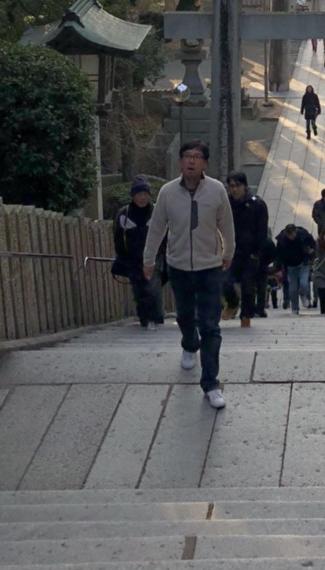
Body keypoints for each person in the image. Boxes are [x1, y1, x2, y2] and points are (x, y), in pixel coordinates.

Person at [144, 141, 234, 410]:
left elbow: (227, 225)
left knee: (210, 326)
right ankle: (188, 343)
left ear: (205, 163)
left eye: (197, 157)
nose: (191, 162)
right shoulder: (168, 192)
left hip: (210, 267)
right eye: (187, 157)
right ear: (180, 162)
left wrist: (228, 252)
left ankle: (211, 383)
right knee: (184, 315)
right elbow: (157, 228)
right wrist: (148, 260)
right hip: (179, 265)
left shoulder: (216, 190)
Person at [112, 177, 164, 328]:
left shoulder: (156, 211)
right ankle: (144, 317)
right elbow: (118, 237)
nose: (142, 198)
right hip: (132, 257)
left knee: (153, 285)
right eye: (139, 194)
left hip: (155, 256)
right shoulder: (124, 214)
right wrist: (122, 256)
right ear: (133, 196)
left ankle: (156, 316)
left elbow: (166, 233)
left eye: (145, 194)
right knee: (138, 288)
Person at [225, 170, 271, 327]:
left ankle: (246, 315)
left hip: (250, 252)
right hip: (230, 251)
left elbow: (262, 231)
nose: (234, 189)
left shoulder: (257, 204)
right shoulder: (226, 204)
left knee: (248, 285)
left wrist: (257, 253)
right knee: (224, 280)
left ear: (244, 186)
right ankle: (232, 303)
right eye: (231, 186)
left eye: (237, 186)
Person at [275, 222, 315, 314]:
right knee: (292, 288)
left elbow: (313, 244)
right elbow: (278, 255)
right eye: (290, 235)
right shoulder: (282, 240)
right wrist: (278, 269)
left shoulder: (303, 235)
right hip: (290, 267)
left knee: (304, 284)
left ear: (295, 232)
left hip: (303, 264)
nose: (292, 237)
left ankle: (303, 295)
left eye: (293, 235)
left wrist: (311, 253)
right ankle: (295, 308)